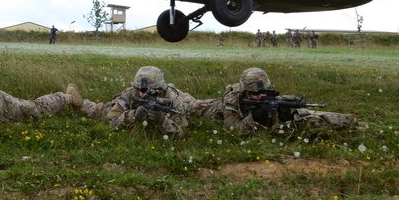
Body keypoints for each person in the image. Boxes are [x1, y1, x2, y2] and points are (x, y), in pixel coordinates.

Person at [189, 67, 362, 134]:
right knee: (187, 105)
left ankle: (351, 124)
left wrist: (283, 117)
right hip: (206, 108)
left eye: (265, 92)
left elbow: (274, 126)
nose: (262, 96)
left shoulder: (268, 97)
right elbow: (232, 130)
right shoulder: (232, 100)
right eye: (256, 94)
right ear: (245, 92)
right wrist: (254, 118)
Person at [81, 66, 198, 137]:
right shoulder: (131, 93)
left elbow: (181, 133)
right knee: (98, 111)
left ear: (160, 89)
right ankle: (75, 99)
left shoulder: (172, 100)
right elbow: (112, 119)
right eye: (140, 90)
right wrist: (134, 115)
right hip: (127, 109)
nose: (143, 94)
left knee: (194, 107)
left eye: (149, 91)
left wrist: (163, 120)